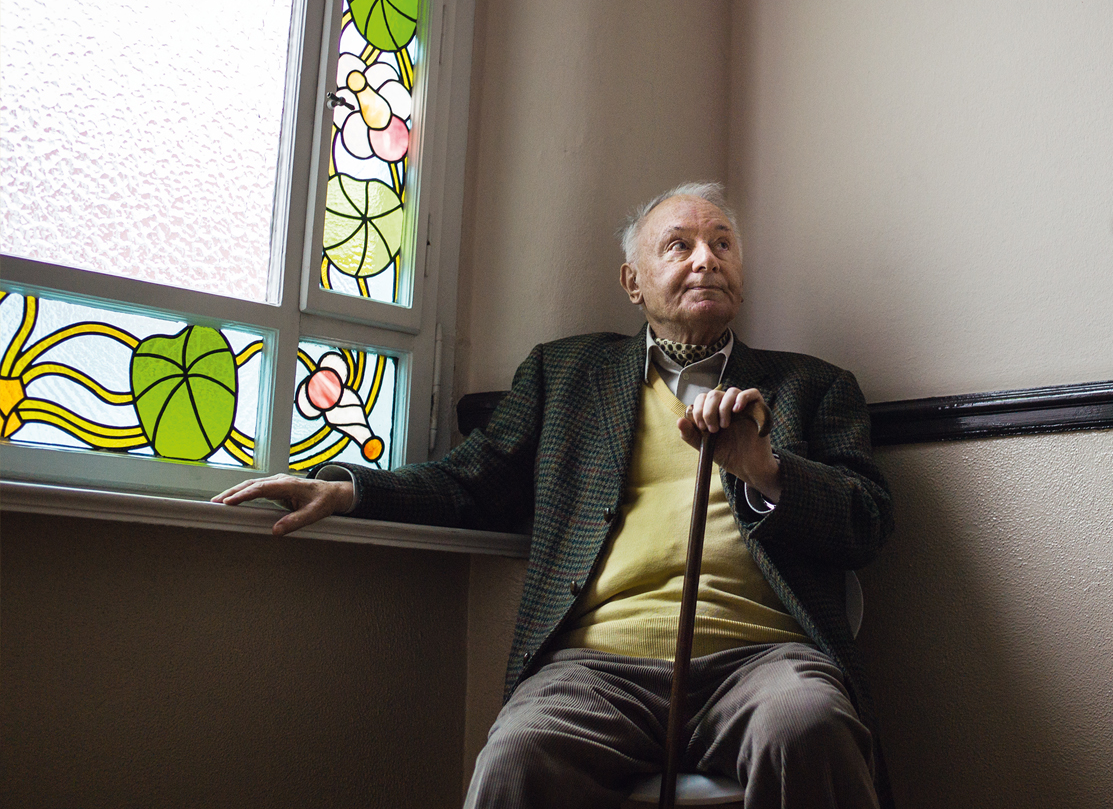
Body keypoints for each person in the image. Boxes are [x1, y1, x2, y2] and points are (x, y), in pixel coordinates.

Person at [215, 182, 894, 809]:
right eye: (678, 245)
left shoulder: (812, 386)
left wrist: (767, 470)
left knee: (810, 726)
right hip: (598, 669)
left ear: (741, 273)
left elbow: (866, 521)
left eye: (722, 244)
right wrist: (346, 490)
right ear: (632, 281)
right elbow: (466, 483)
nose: (705, 260)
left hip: (765, 661)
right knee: (516, 758)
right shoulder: (566, 373)